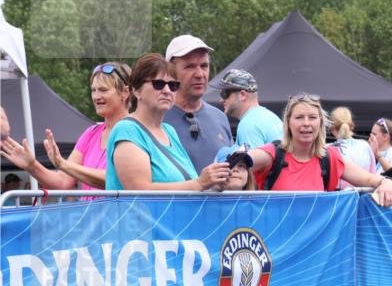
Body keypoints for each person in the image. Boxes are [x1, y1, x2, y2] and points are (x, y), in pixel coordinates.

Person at [105, 53, 236, 192]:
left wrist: (212, 184)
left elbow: (186, 184)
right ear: (136, 90)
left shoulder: (168, 131)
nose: (167, 91)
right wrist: (199, 183)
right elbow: (139, 191)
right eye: (158, 84)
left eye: (173, 85)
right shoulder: (127, 130)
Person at [230, 93, 392, 203]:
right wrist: (235, 172)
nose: (306, 123)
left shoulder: (329, 157)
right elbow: (239, 159)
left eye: (312, 117)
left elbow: (368, 179)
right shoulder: (274, 153)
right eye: (299, 117)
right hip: (277, 248)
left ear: (321, 123)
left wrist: (385, 182)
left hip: (315, 252)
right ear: (288, 123)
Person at [0, 62, 132, 191]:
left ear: (125, 93)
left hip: (122, 213)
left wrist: (63, 164)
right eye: (93, 90)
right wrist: (32, 165)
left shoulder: (135, 132)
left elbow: (117, 179)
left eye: (103, 90)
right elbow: (63, 181)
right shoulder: (91, 134)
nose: (96, 96)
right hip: (91, 213)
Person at [163, 35, 233, 172]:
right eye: (190, 66)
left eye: (204, 66)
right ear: (170, 71)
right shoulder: (155, 118)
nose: (200, 74)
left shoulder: (220, 117)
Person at [216, 69, 282, 149]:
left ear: (242, 95)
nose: (221, 100)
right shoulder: (272, 117)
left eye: (225, 94)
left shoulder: (248, 125)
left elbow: (253, 161)